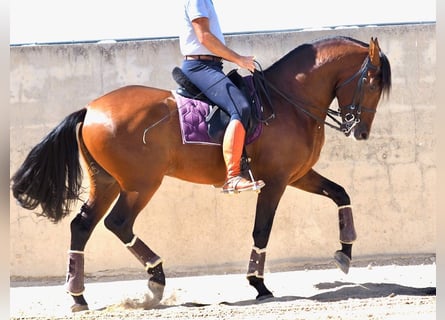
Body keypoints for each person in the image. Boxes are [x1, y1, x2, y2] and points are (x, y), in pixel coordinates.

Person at [179, 0, 265, 193]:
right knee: (241, 107)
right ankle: (233, 176)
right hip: (199, 67)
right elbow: (205, 37)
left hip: (212, 66)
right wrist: (239, 59)